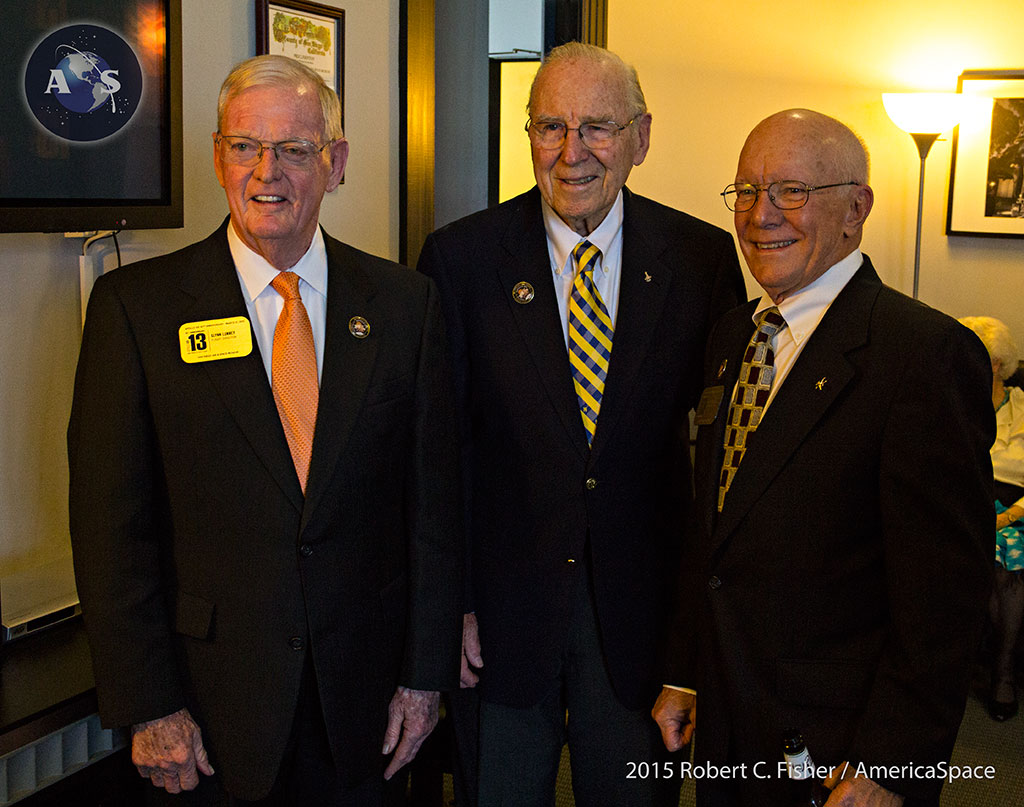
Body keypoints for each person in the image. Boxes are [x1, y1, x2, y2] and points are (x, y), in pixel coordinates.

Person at [68, 55, 462, 806]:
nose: (266, 171)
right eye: (246, 146)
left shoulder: (406, 306)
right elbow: (110, 530)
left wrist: (423, 677)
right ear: (219, 156)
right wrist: (148, 703)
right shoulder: (136, 310)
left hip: (367, 708)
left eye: (294, 149)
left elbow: (433, 515)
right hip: (209, 713)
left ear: (336, 162)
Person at [417, 42, 745, 806]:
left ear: (641, 136)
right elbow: (439, 453)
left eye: (597, 127)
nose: (572, 153)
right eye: (550, 127)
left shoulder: (701, 257)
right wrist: (453, 601)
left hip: (640, 622)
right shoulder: (460, 259)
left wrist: (694, 634)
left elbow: (720, 460)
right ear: (528, 135)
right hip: (499, 621)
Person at [652, 109, 994, 807]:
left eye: (793, 191)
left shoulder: (922, 355)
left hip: (842, 757)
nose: (761, 214)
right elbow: (717, 531)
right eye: (746, 191)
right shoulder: (734, 338)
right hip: (732, 727)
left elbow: (945, 600)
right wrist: (687, 671)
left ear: (855, 209)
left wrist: (891, 766)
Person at [958, 316, 1024, 721]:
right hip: (972, 501)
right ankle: (989, 669)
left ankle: (1002, 670)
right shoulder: (953, 401)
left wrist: (1014, 513)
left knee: (1006, 564)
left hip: (1018, 507)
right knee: (978, 554)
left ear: (996, 364)